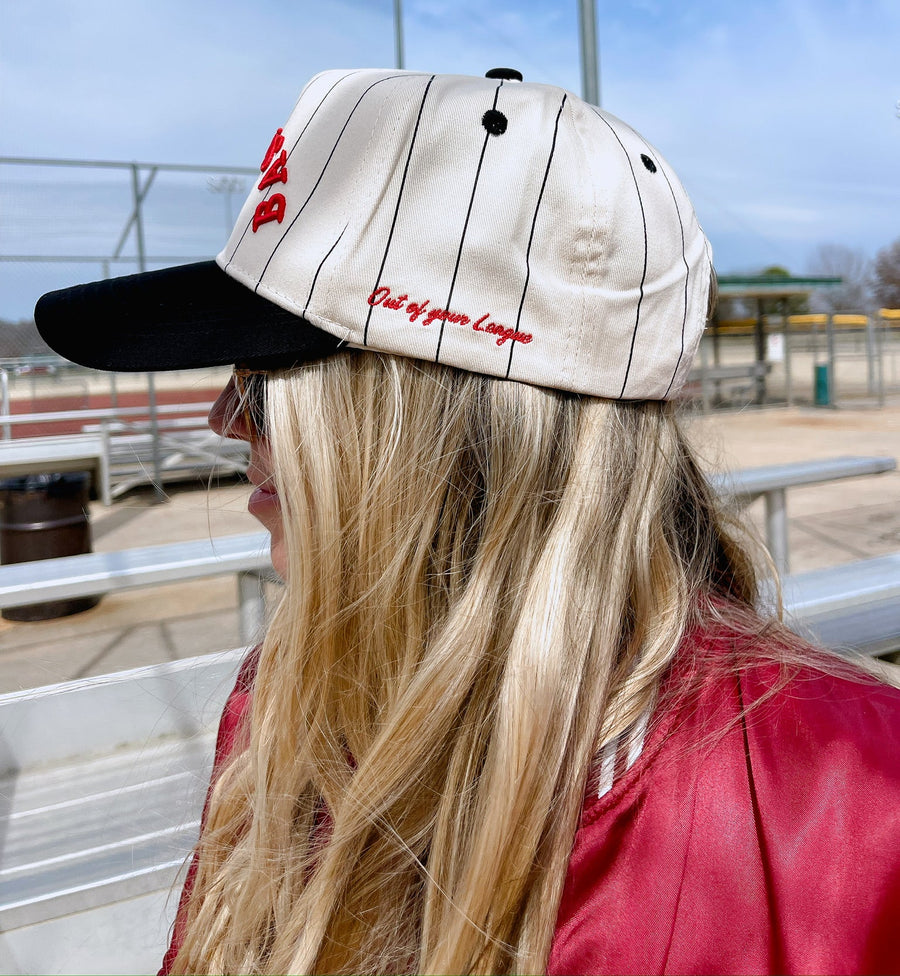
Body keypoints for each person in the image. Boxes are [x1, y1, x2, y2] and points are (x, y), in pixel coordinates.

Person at [35, 68, 900, 976]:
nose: (225, 420)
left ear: (452, 418)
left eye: (261, 371)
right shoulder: (285, 700)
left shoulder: (856, 803)